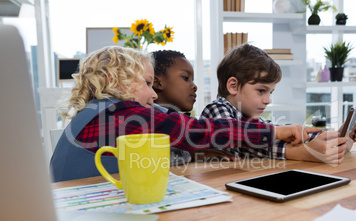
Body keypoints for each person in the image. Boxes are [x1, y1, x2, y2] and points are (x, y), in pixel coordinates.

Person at [50, 46, 314, 182]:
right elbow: (194, 130)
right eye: (146, 83)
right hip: (84, 204)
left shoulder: (96, 111)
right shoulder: (121, 112)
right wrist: (275, 131)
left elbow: (171, 133)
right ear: (112, 79)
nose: (153, 94)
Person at [200, 43, 356, 164]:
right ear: (233, 86)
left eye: (270, 92)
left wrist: (336, 138)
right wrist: (297, 152)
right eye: (261, 91)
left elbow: (269, 137)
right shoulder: (217, 110)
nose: (268, 100)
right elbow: (241, 143)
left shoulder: (250, 119)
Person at [152, 49, 237, 164]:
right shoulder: (149, 118)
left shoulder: (176, 120)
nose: (194, 86)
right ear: (157, 82)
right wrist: (191, 155)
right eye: (186, 78)